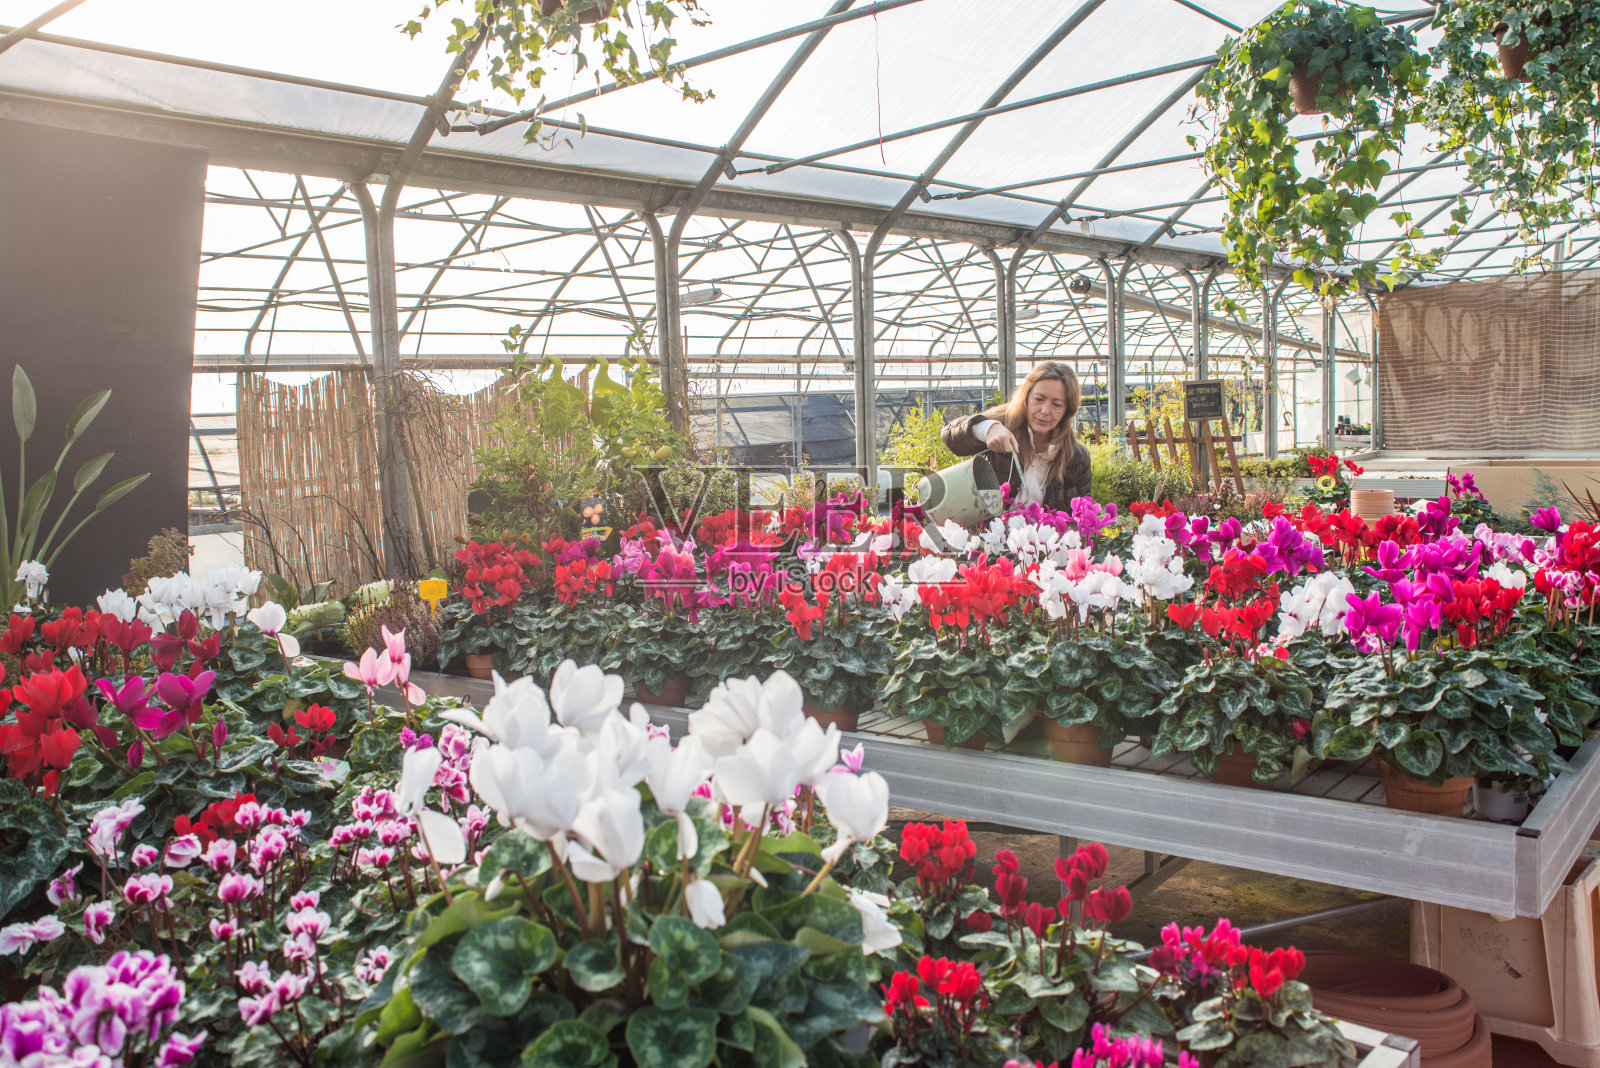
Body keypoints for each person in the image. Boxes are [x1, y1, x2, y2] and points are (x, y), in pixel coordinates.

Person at [939, 362, 1092, 509]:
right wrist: (987, 429)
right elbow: (950, 436)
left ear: (1068, 409)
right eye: (1039, 399)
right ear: (1026, 397)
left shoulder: (1076, 456)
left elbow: (1081, 516)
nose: (1045, 410)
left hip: (1044, 536)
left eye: (1056, 404)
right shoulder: (1002, 425)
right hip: (990, 535)